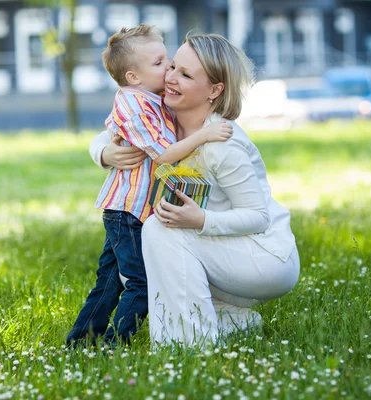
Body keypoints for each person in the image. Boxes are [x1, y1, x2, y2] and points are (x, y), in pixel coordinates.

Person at [90, 33, 300, 347]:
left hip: (266, 259)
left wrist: (201, 220)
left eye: (185, 75)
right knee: (151, 233)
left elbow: (258, 217)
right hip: (221, 250)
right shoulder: (164, 112)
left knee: (160, 229)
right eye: (172, 66)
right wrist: (105, 154)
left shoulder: (221, 144)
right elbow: (115, 129)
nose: (170, 78)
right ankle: (230, 320)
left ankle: (186, 346)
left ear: (214, 90)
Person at [67, 25, 233, 347]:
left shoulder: (151, 97)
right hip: (128, 211)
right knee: (140, 283)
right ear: (133, 77)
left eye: (167, 59)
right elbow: (166, 155)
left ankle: (80, 342)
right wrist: (205, 135)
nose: (169, 68)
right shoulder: (134, 106)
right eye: (159, 64)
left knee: (109, 282)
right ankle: (116, 345)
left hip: (131, 210)